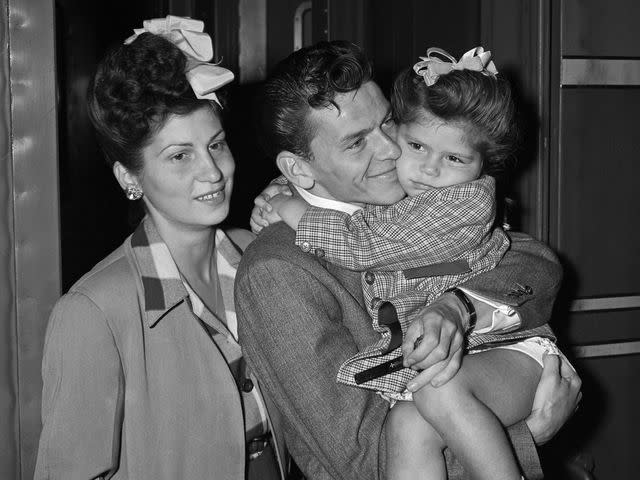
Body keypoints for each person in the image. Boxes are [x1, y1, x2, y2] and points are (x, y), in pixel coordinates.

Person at [236, 40, 581, 479]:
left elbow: (534, 261)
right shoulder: (277, 272)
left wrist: (460, 304)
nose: (390, 150)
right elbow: (359, 460)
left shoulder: (413, 193)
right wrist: (529, 435)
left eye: (387, 124)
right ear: (299, 171)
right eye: (357, 142)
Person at [34, 16, 285, 480]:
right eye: (179, 156)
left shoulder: (260, 255)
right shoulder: (94, 311)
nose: (212, 172)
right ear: (129, 176)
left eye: (217, 145)